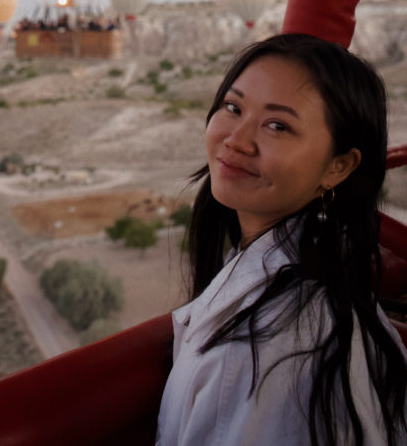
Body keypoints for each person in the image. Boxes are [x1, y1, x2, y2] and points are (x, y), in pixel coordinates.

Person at [156, 33, 407, 446]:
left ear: (338, 167)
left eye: (278, 125)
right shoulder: (317, 290)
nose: (236, 140)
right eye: (233, 107)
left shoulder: (265, 359)